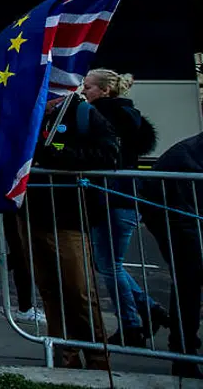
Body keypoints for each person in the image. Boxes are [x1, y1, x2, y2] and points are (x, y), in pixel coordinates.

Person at [27, 90, 120, 369]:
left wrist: (58, 153)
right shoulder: (32, 112)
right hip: (33, 212)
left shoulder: (83, 113)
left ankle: (96, 355)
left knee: (78, 288)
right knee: (49, 288)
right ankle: (63, 353)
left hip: (69, 216)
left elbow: (108, 154)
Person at [80, 68, 165, 346]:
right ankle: (149, 310)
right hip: (120, 199)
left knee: (109, 265)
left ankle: (132, 325)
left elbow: (93, 152)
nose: (84, 91)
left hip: (112, 199)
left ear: (105, 90)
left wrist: (55, 145)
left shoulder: (103, 116)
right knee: (106, 263)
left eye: (89, 87)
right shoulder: (128, 116)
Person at [139, 130, 203, 379]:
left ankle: (184, 349)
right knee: (190, 279)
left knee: (190, 281)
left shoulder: (188, 153)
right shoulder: (186, 156)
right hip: (176, 214)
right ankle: (183, 352)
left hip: (180, 213)